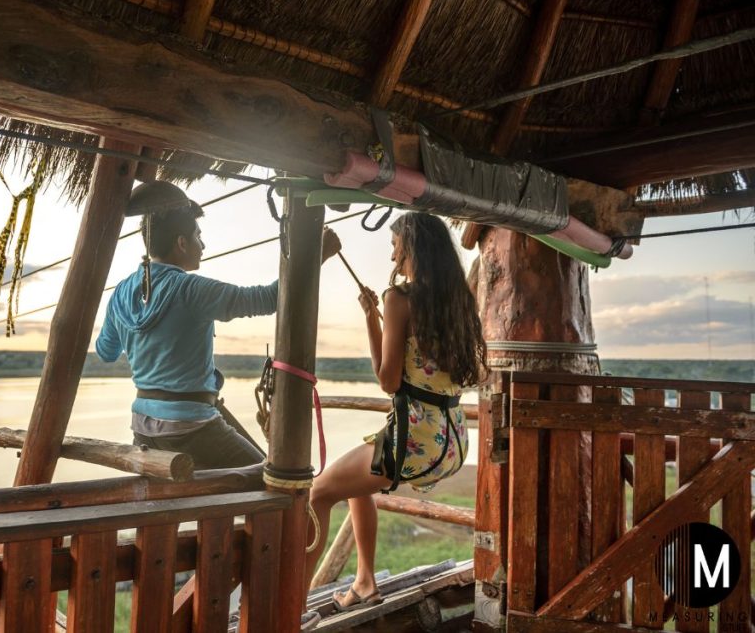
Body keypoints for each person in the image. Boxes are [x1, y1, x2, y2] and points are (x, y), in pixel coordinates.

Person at [304, 211, 487, 612]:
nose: (392, 259)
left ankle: (290, 602)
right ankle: (365, 581)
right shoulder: (455, 300)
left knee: (317, 492)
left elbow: (387, 382)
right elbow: (405, 372)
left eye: (395, 247)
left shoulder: (400, 298)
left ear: (413, 247)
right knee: (357, 482)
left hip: (416, 442)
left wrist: (380, 314)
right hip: (451, 442)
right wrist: (373, 319)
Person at [95, 182, 341, 470]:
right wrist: (316, 255)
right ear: (181, 243)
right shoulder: (190, 289)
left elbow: (106, 352)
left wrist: (147, 343)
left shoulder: (121, 293)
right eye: (198, 237)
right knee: (272, 483)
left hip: (144, 428)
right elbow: (270, 298)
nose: (203, 245)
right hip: (192, 427)